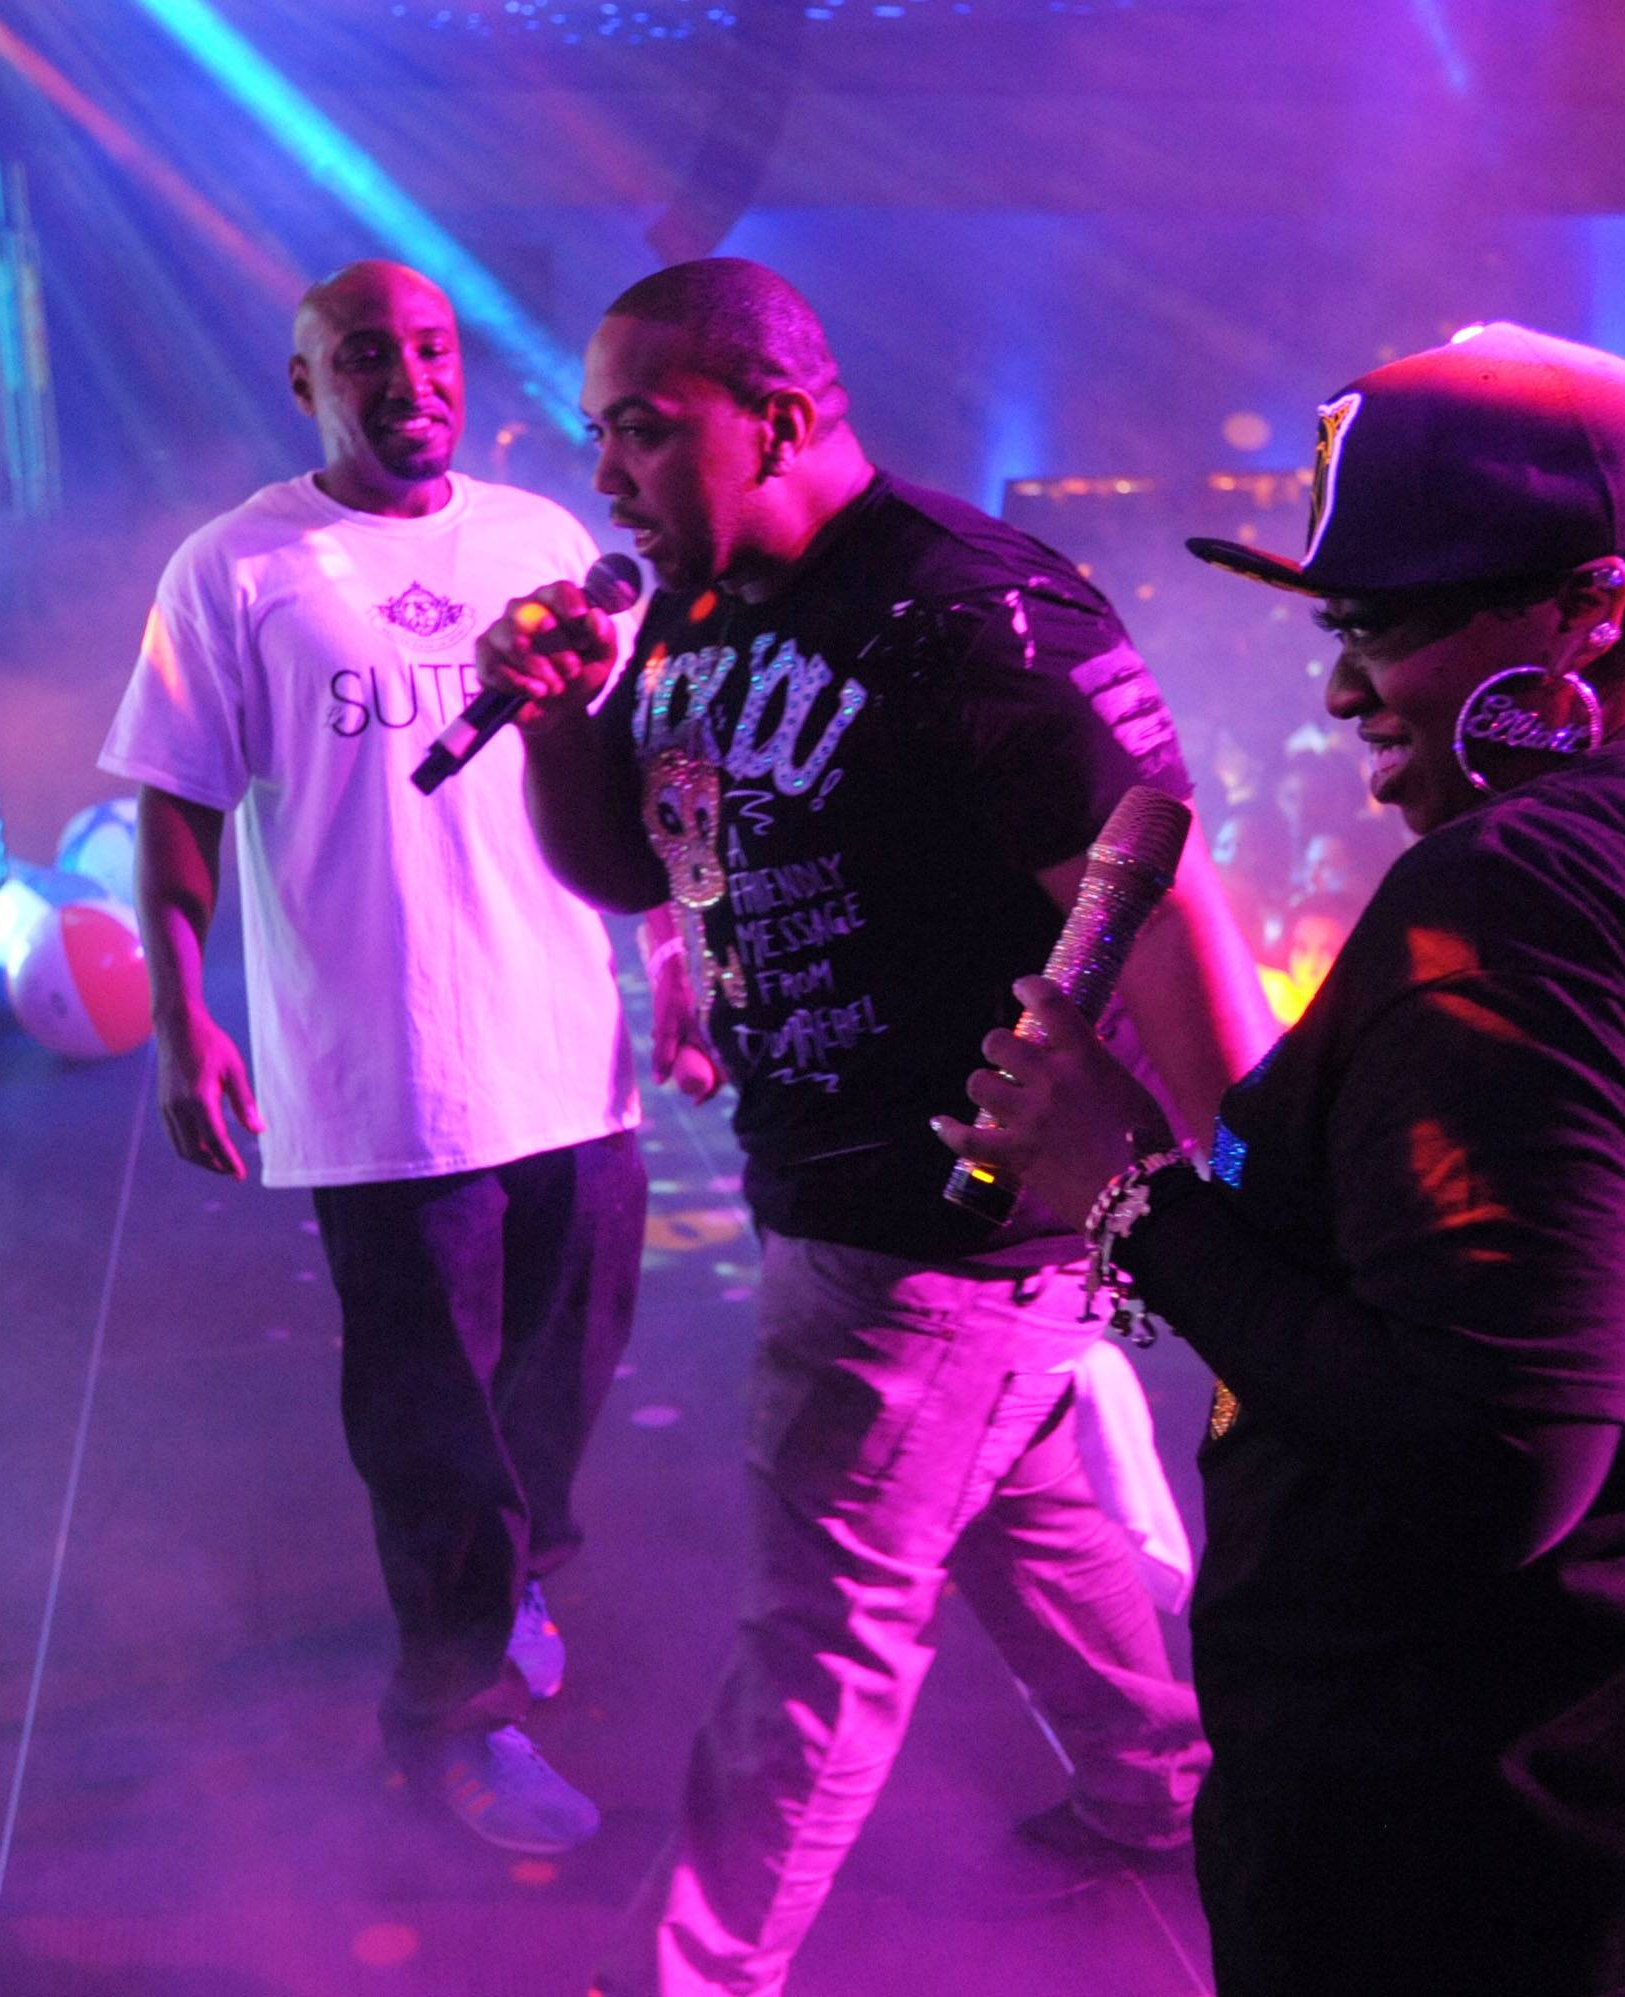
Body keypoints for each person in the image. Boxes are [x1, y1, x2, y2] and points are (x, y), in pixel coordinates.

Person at [938, 325, 1625, 1993]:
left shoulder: (1520, 894)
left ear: (1594, 608)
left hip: (1468, 1811)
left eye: (1384, 623)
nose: (1341, 687)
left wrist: (1128, 1194)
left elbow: (1499, 1455)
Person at [475, 256, 1268, 1995]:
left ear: (775, 418)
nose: (606, 473)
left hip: (937, 1226)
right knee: (1025, 1512)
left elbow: (1166, 900)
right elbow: (630, 865)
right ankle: (1163, 1788)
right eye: (597, 432)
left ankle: (695, 1971)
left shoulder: (973, 611)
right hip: (835, 1185)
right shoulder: (696, 610)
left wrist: (1270, 1219)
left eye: (642, 428)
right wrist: (553, 727)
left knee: (817, 1639)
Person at [97, 262, 645, 1856]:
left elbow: (623, 771)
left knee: (557, 1384)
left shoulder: (541, 541)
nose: (408, 378)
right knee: (430, 1425)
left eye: (431, 347)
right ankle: (452, 1715)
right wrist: (182, 1019)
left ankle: (511, 1584)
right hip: (379, 1073)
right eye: (363, 355)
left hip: (570, 1053)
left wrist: (677, 958)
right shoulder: (236, 565)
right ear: (306, 382)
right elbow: (178, 803)